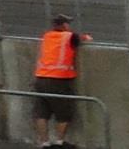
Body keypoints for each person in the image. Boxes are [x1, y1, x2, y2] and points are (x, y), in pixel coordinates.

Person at [33, 13, 92, 149]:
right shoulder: (69, 36)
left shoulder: (47, 36)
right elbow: (83, 39)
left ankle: (44, 143)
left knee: (42, 112)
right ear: (65, 25)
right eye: (68, 23)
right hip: (59, 79)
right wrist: (87, 37)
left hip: (41, 77)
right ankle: (59, 142)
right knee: (63, 112)